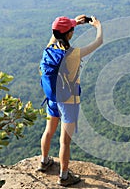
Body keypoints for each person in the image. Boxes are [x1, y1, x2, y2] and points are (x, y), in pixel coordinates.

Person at [37, 14, 103, 187]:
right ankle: (64, 177)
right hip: (68, 101)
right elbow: (99, 42)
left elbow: (57, 32)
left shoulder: (49, 47)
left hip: (52, 98)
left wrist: (73, 22)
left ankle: (44, 162)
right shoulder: (73, 54)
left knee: (49, 131)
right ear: (70, 34)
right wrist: (98, 26)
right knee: (65, 141)